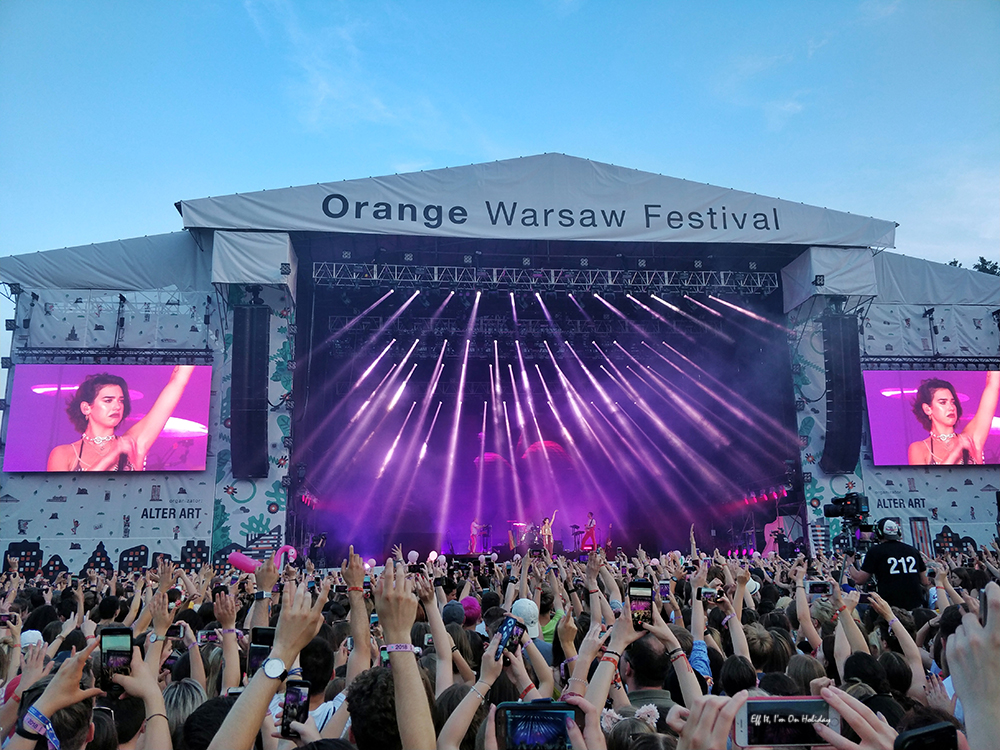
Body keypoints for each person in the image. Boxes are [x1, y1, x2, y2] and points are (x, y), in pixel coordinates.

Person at [46, 366, 195, 472]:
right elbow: (63, 499)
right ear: (86, 408)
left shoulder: (133, 442)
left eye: (121, 400)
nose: (117, 406)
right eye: (108, 400)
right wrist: (112, 455)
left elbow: (177, 382)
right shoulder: (63, 454)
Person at [908, 370, 999, 465]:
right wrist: (957, 450)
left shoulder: (970, 438)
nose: (951, 407)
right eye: (943, 402)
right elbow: (926, 479)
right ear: (927, 409)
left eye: (953, 402)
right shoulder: (918, 448)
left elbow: (993, 386)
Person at [846, 518, 929, 610]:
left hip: (891, 607)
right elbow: (925, 581)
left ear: (879, 533)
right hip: (916, 606)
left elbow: (859, 579)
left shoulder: (875, 551)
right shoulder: (913, 550)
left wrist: (849, 563)